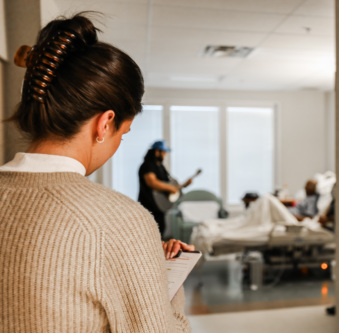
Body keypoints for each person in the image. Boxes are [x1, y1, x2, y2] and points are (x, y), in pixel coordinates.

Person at [0, 13, 194, 332]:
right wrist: (162, 282)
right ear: (104, 124)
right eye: (124, 133)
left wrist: (136, 258)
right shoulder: (121, 222)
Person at [138, 140, 193, 239]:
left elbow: (170, 185)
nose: (164, 155)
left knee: (160, 231)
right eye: (163, 152)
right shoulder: (147, 166)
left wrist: (184, 185)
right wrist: (171, 188)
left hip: (159, 208)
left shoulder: (161, 167)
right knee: (149, 234)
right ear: (157, 152)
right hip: (148, 206)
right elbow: (152, 182)